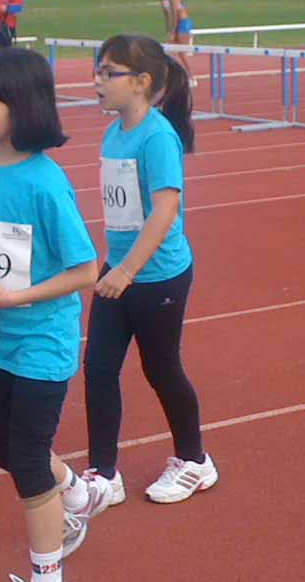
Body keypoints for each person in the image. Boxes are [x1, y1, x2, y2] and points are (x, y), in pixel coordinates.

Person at [0, 48, 111, 582]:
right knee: (5, 453)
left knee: (28, 463)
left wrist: (18, 296)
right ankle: (80, 494)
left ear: (24, 108)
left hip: (43, 339)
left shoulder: (45, 184)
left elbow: (86, 268)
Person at [79, 34, 218, 509]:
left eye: (107, 73)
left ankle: (195, 460)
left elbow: (165, 212)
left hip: (156, 276)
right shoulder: (114, 132)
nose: (97, 81)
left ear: (140, 83)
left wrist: (127, 271)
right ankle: (103, 474)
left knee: (161, 368)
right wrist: (114, 266)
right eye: (98, 71)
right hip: (119, 269)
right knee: (98, 368)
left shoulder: (157, 137)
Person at [157, 0, 198, 88]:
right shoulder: (163, 1)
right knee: (169, 51)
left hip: (184, 24)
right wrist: (168, 31)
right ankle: (171, 77)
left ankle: (192, 78)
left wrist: (174, 32)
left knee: (181, 52)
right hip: (176, 26)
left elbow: (176, 15)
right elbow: (167, 18)